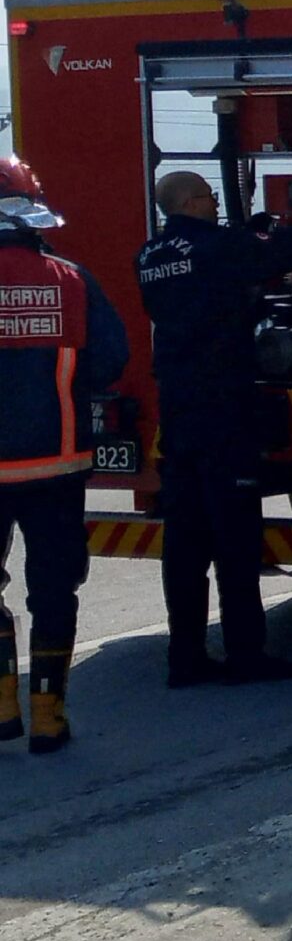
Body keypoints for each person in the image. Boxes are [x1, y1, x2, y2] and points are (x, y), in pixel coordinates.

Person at [135, 170, 292, 687]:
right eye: (207, 196)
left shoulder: (150, 256)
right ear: (189, 201)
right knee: (234, 539)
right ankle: (246, 655)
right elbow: (277, 257)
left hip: (177, 408)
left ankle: (185, 659)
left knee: (184, 543)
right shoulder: (216, 247)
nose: (213, 202)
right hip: (224, 406)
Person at [0, 157, 129, 752]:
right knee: (53, 587)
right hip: (58, 462)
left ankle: (2, 709)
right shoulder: (69, 277)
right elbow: (109, 359)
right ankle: (49, 716)